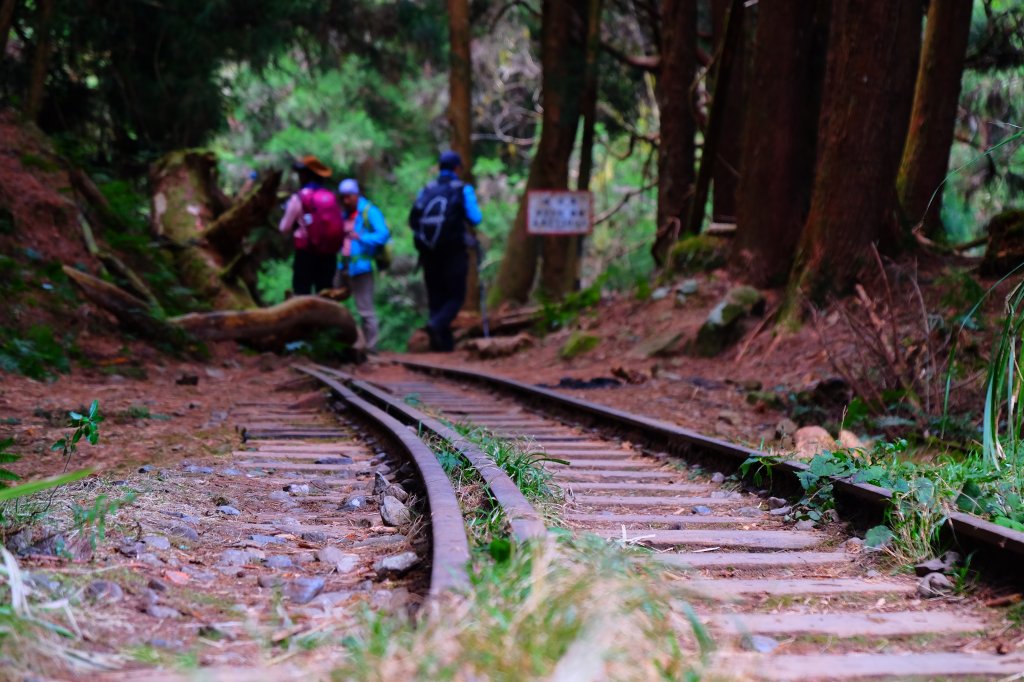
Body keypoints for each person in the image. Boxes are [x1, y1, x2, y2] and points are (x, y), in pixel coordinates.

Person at [408, 151, 483, 352]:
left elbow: (414, 220)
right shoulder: (462, 189)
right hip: (454, 251)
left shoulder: (426, 190)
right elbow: (476, 218)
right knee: (456, 296)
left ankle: (442, 346)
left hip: (428, 252)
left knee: (436, 297)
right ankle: (437, 326)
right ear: (457, 168)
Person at [278, 155, 344, 295]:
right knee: (325, 293)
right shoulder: (329, 196)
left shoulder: (299, 197)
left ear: (305, 176)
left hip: (306, 253)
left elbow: (284, 228)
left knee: (302, 294)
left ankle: (305, 318)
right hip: (328, 254)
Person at [336, 178, 390, 352]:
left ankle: (371, 348)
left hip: (362, 268)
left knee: (365, 311)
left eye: (349, 197)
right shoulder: (343, 214)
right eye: (343, 197)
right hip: (342, 267)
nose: (346, 201)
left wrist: (362, 238)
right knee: (332, 303)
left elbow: (383, 234)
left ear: (357, 194)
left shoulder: (369, 212)